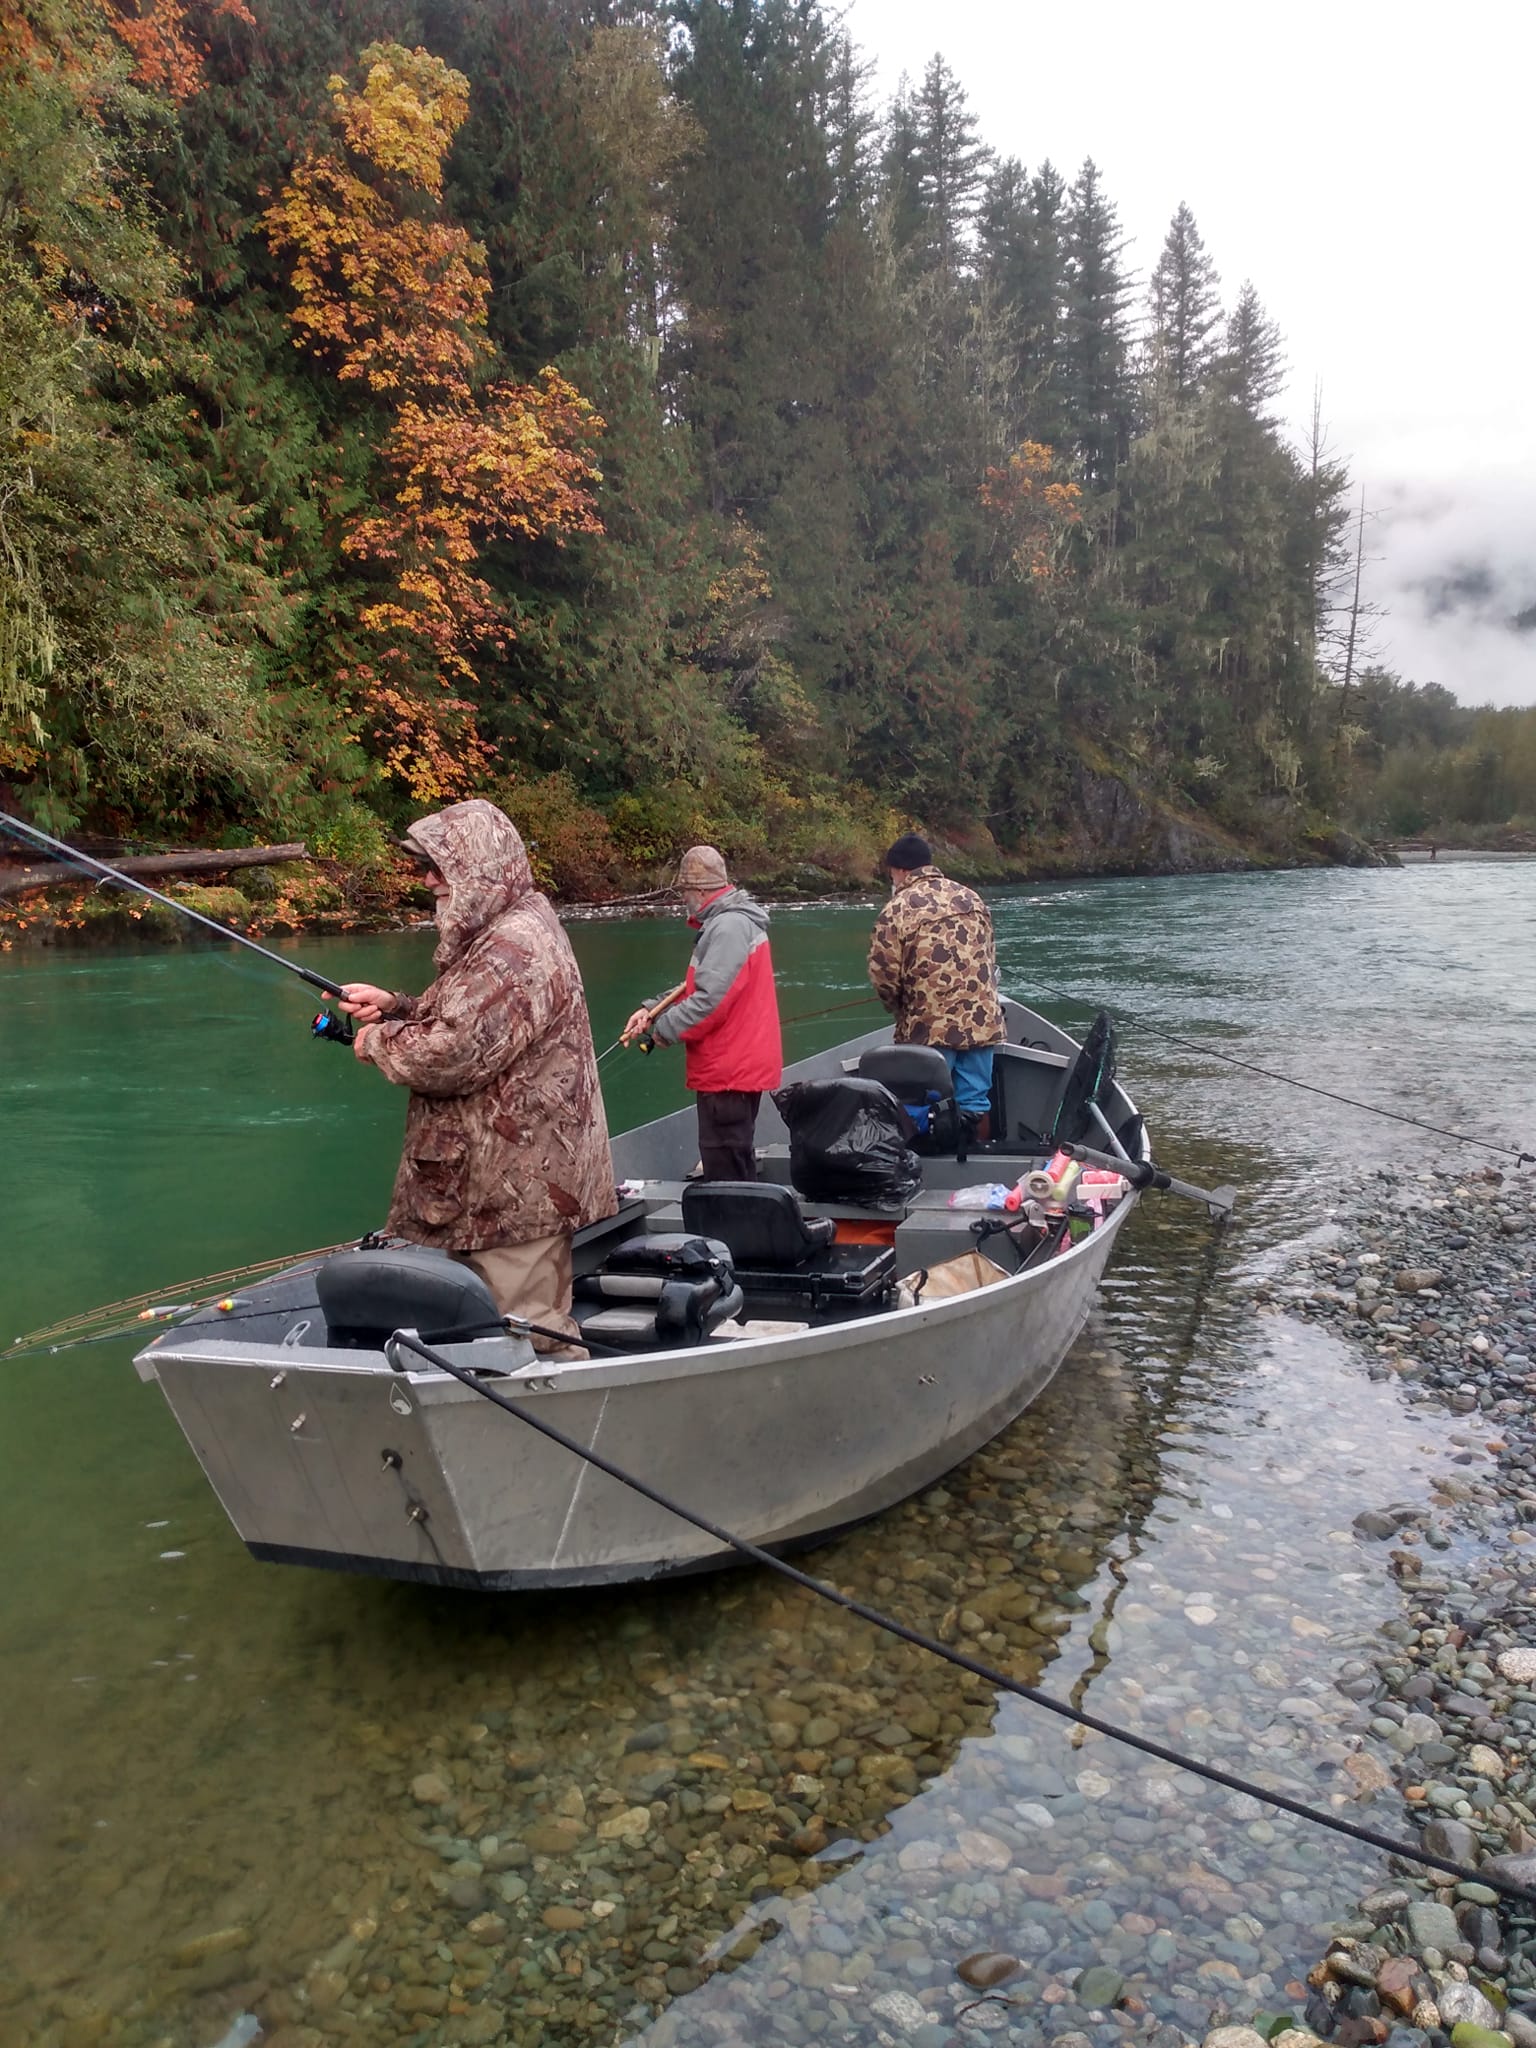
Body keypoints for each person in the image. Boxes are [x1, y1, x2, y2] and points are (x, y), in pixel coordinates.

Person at [337, 798, 615, 1356]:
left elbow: (454, 1051)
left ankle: (572, 1407)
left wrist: (376, 1041)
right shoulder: (505, 929)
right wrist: (396, 1007)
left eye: (439, 867)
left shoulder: (514, 946)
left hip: (519, 1193)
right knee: (492, 1338)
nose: (428, 880)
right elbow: (466, 1018)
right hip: (497, 1190)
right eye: (426, 867)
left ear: (478, 868)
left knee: (529, 1338)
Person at [621, 845, 782, 1181]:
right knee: (734, 1159)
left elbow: (710, 1001)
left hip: (728, 1073)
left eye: (684, 890)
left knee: (727, 1171)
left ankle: (736, 1216)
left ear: (699, 890)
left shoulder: (728, 928)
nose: (683, 898)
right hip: (734, 1069)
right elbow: (698, 987)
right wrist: (651, 1010)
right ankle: (743, 1212)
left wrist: (664, 1030)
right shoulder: (730, 923)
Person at [867, 832, 1006, 1143]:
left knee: (923, 1102)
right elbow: (989, 956)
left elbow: (884, 974)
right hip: (982, 1022)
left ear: (900, 870)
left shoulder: (897, 909)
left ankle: (928, 1165)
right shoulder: (971, 898)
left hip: (929, 1027)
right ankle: (977, 1159)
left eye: (891, 873)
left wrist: (898, 1008)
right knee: (976, 1102)